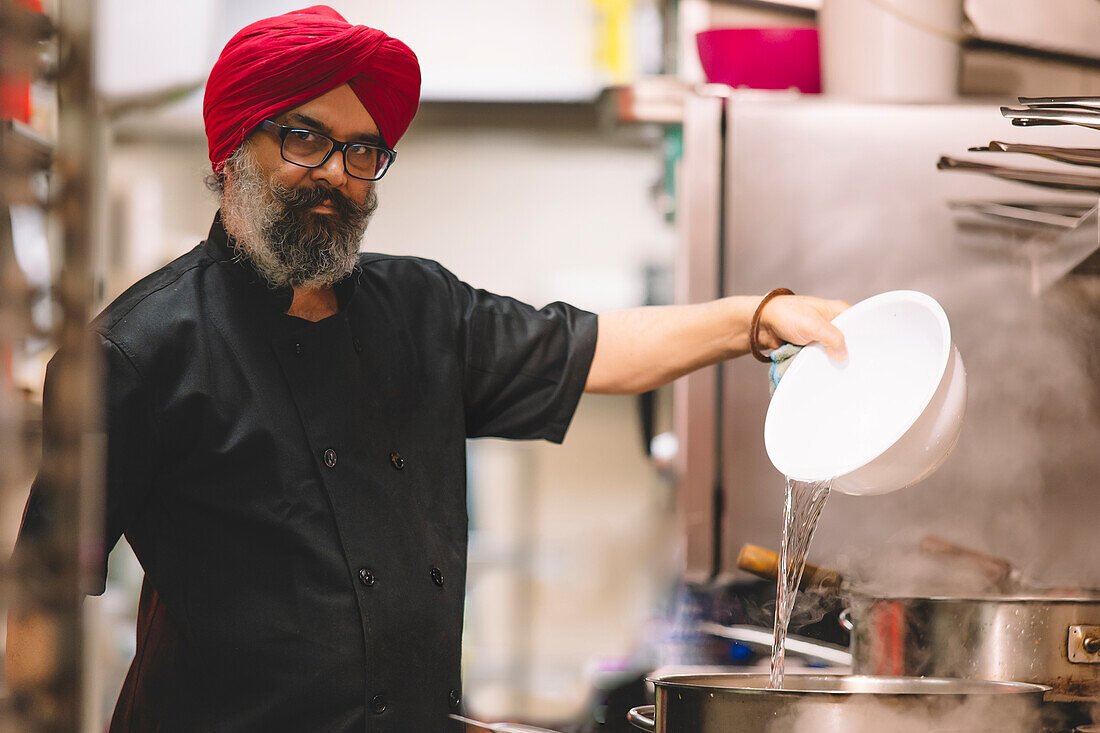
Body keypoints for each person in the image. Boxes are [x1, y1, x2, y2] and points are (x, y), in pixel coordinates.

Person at [7, 7, 848, 731]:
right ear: (233, 146)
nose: (336, 172)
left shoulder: (420, 310)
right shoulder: (138, 353)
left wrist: (757, 318)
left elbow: (593, 348)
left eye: (363, 151)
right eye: (304, 138)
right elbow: (43, 597)